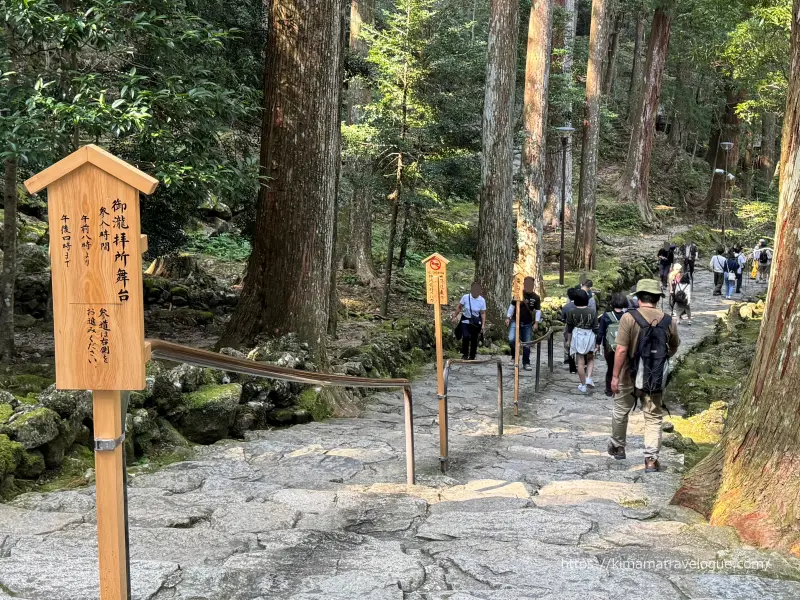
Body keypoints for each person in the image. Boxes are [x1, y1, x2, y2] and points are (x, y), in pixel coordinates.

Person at [608, 279, 680, 473]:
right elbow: (673, 346)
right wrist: (658, 363)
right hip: (653, 378)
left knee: (621, 410)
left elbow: (621, 350)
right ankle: (650, 459)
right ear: (657, 298)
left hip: (628, 376)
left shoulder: (628, 318)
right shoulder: (667, 320)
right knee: (653, 417)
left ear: (639, 298)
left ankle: (618, 446)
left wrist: (614, 376)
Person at [506, 276, 542, 371]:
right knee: (511, 339)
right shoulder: (518, 294)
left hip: (527, 323)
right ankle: (514, 357)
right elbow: (512, 306)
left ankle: (526, 362)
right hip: (515, 320)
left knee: (527, 343)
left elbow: (538, 311)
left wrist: (536, 323)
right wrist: (508, 317)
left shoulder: (536, 297)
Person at [566, 289, 598, 393]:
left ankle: (583, 384)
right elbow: (595, 327)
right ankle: (588, 377)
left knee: (580, 362)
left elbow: (569, 327)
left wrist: (569, 340)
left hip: (577, 335)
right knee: (590, 358)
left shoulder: (571, 312)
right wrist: (598, 342)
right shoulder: (592, 312)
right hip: (589, 335)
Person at [597, 293, 628, 397]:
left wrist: (597, 344)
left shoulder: (606, 316)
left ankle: (609, 390)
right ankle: (622, 388)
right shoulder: (628, 316)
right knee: (623, 367)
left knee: (610, 367)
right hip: (624, 346)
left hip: (609, 347)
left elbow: (600, 331)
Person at [452, 282, 486, 360]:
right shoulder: (465, 297)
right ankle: (465, 354)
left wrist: (483, 325)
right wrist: (455, 316)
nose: (475, 293)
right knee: (466, 336)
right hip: (465, 319)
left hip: (475, 321)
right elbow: (459, 307)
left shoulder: (482, 300)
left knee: (474, 338)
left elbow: (483, 313)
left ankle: (472, 355)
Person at [559, 288, 579, 374]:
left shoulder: (566, 307)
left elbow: (562, 319)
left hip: (569, 328)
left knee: (569, 345)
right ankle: (581, 364)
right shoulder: (580, 306)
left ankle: (572, 367)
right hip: (579, 327)